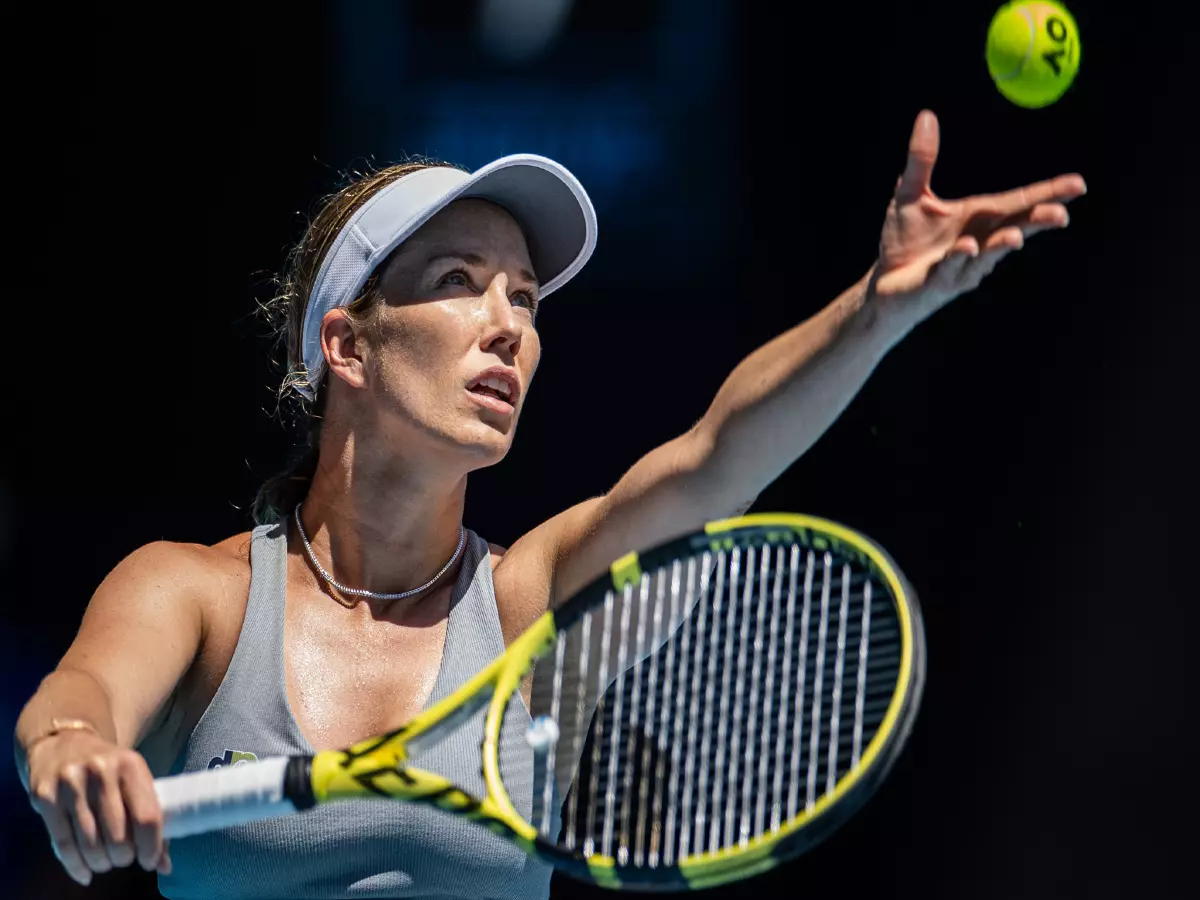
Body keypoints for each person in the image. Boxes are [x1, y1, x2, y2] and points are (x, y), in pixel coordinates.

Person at [14, 110, 1084, 898]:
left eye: (523, 297)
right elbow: (76, 702)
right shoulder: (191, 593)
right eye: (458, 281)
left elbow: (718, 455)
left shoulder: (532, 606)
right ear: (346, 343)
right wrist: (73, 752)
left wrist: (873, 313)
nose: (507, 325)